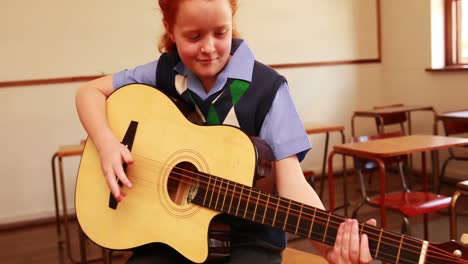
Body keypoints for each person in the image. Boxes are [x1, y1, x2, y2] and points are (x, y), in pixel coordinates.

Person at [76, 0, 376, 263]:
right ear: (170, 28)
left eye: (221, 33)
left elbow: (292, 184)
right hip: (170, 238)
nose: (209, 47)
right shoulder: (162, 73)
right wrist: (107, 144)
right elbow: (89, 93)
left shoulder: (267, 88)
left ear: (232, 20)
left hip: (250, 239)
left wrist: (329, 250)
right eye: (194, 36)